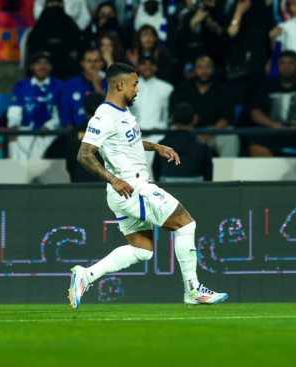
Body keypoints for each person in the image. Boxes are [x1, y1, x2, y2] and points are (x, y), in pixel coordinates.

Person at [68, 62, 227, 308]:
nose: (137, 89)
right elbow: (84, 154)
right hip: (132, 188)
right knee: (186, 225)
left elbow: (128, 142)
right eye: (135, 84)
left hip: (126, 190)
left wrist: (156, 147)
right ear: (120, 85)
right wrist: (114, 178)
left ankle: (86, 275)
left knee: (142, 250)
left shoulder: (122, 112)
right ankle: (193, 289)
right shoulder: (104, 116)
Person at [169, 56, 239, 157]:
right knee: (172, 132)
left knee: (230, 135)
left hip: (214, 132)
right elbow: (173, 116)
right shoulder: (181, 90)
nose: (204, 71)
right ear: (194, 70)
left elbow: (227, 118)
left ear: (213, 69)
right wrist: (187, 123)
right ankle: (177, 170)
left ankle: (228, 171)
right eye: (200, 68)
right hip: (187, 130)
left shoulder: (223, 91)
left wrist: (208, 134)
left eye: (208, 67)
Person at [7, 51, 64, 159]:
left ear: (51, 67)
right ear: (31, 66)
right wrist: (13, 126)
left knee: (44, 142)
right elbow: (15, 112)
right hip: (26, 130)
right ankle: (15, 175)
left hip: (49, 131)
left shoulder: (59, 86)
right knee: (14, 140)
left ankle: (36, 175)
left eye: (46, 63)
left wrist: (49, 126)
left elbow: (61, 113)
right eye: (39, 62)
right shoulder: (21, 86)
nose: (42, 66)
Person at [130, 55, 173, 170]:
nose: (147, 67)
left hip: (158, 135)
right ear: (138, 67)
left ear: (156, 67)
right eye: (144, 64)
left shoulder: (166, 88)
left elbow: (167, 116)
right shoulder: (130, 87)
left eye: (151, 64)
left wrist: (157, 129)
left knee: (155, 169)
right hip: (134, 135)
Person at [152, 103, 213, 182]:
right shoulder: (201, 146)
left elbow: (156, 170)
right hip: (195, 189)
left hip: (167, 188)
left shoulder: (162, 144)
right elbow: (208, 176)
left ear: (173, 119)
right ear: (194, 119)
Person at [27, 0, 82, 81]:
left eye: (58, 3)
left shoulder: (69, 23)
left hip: (67, 64)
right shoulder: (39, 27)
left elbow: (76, 43)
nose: (55, 5)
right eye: (51, 3)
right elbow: (33, 45)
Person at [59, 48, 108, 129]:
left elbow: (110, 110)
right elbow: (65, 113)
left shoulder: (109, 83)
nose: (93, 65)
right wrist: (72, 135)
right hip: (77, 131)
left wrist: (97, 86)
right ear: (82, 64)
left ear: (102, 64)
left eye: (96, 61)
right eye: (89, 61)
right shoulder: (70, 84)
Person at [65, 92, 105, 182]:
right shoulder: (111, 133)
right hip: (105, 186)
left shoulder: (73, 133)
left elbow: (69, 164)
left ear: (84, 109)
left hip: (80, 185)